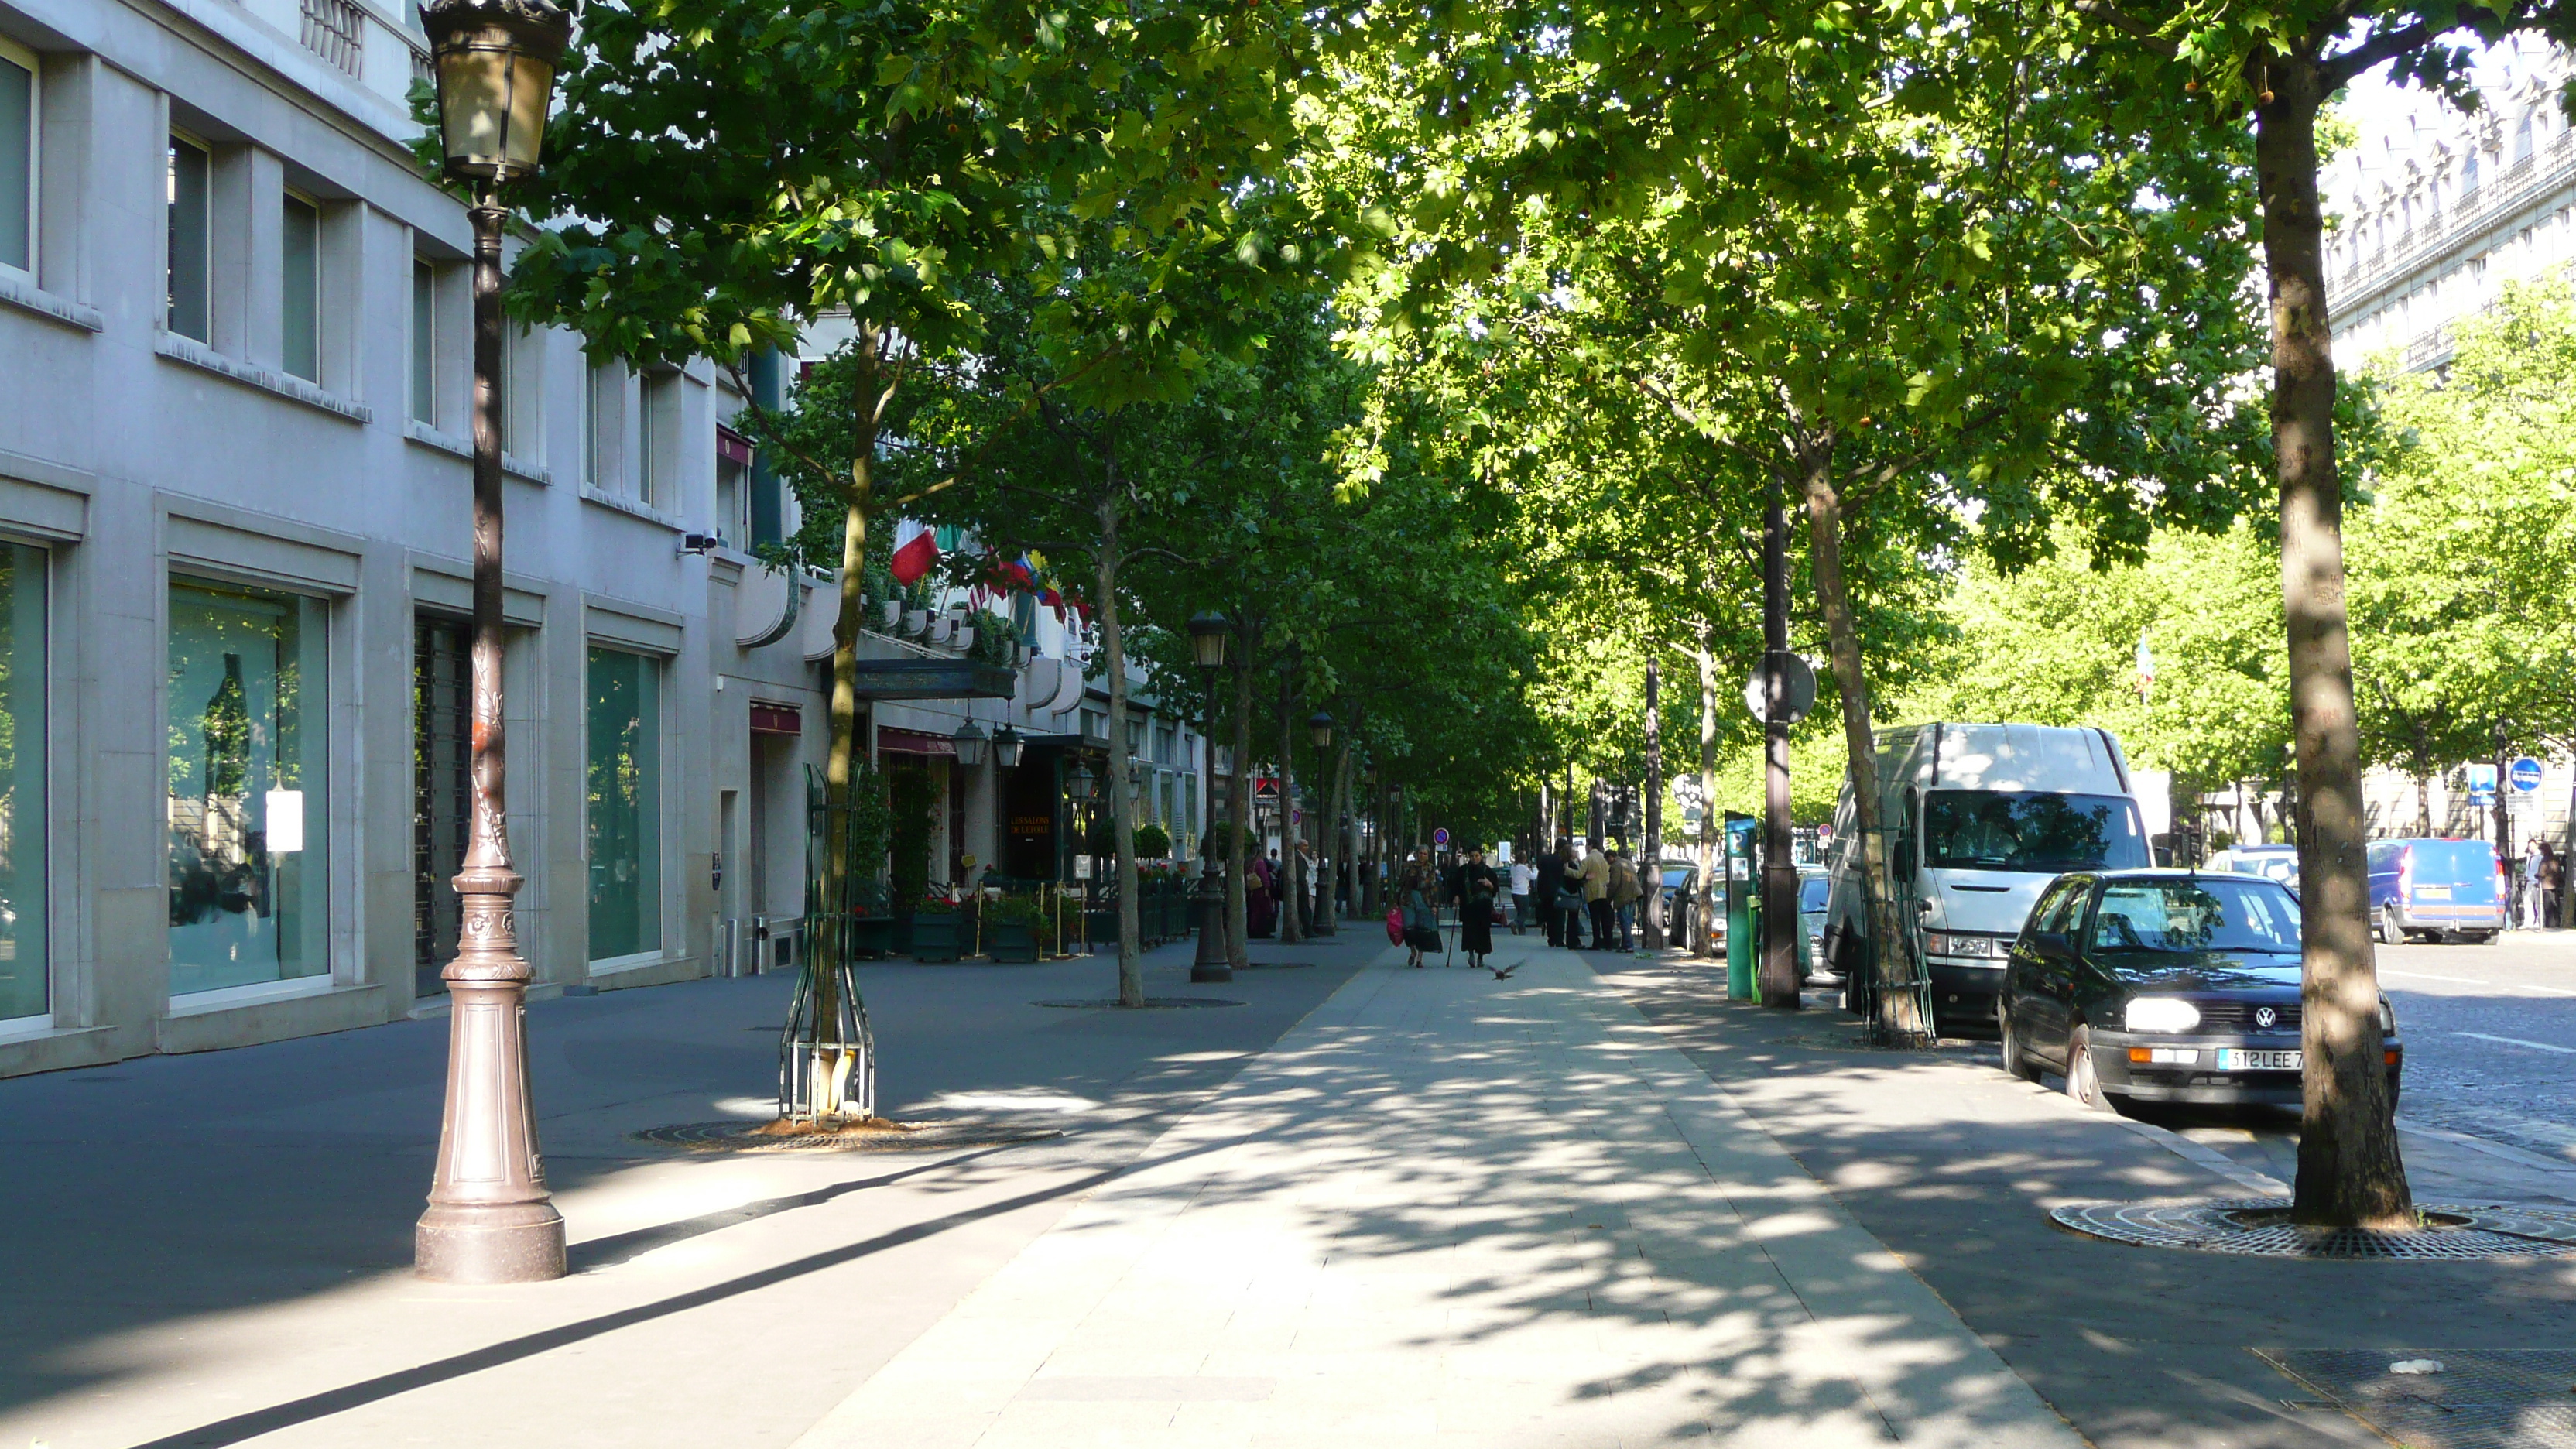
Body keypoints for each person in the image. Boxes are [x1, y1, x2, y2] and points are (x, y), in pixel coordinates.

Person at [1456, 846, 1499, 968]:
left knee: (1482, 931)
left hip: (1483, 907)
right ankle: (1470, 954)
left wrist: (1489, 885)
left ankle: (1480, 956)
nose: (1474, 859)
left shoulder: (1488, 871)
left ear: (1481, 856)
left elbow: (1495, 889)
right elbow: (1456, 886)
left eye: (1477, 856)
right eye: (1472, 856)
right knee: (1469, 930)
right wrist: (1456, 896)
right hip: (1468, 906)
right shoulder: (1463, 871)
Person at [1399, 846, 1441, 968]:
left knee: (1422, 928)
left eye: (1425, 854)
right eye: (1420, 853)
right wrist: (1396, 900)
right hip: (1408, 899)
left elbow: (1433, 886)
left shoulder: (1430, 868)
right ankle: (1412, 950)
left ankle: (1420, 958)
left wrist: (1434, 905)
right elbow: (1401, 882)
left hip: (1424, 899)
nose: (1422, 856)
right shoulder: (1407, 866)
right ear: (1416, 854)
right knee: (1408, 926)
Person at [1579, 838, 1614, 950]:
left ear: (1590, 846)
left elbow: (1579, 874)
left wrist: (1568, 870)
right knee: (1605, 919)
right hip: (1604, 892)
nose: (1586, 848)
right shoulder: (1603, 859)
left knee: (1595, 919)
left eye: (1586, 845)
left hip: (1593, 893)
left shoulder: (1588, 859)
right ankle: (1608, 943)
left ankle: (1597, 942)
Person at [1535, 841, 1568, 947]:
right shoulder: (1563, 860)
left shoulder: (1545, 859)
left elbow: (1540, 876)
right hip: (1560, 892)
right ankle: (1559, 939)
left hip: (1546, 891)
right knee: (1560, 916)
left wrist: (1539, 892)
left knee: (1549, 916)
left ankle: (1551, 938)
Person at [1609, 846, 1641, 951]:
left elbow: (1614, 883)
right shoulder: (1627, 862)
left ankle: (1628, 945)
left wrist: (1608, 896)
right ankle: (1626, 944)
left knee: (1624, 921)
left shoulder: (1616, 866)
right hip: (1633, 894)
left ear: (1610, 857)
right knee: (1628, 920)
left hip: (1624, 895)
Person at [2539, 841, 2564, 929]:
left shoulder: (2545, 860)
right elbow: (2559, 871)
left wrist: (2538, 876)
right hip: (2555, 885)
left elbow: (2542, 873)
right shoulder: (2555, 859)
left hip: (2546, 885)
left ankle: (2549, 925)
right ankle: (2557, 923)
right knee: (2556, 906)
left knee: (2548, 907)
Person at [1509, 855, 1536, 935]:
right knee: (1525, 912)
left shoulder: (1513, 867)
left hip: (1514, 892)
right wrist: (1535, 869)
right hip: (1523, 893)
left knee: (1520, 912)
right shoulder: (1523, 868)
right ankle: (1515, 923)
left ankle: (1522, 930)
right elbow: (1533, 876)